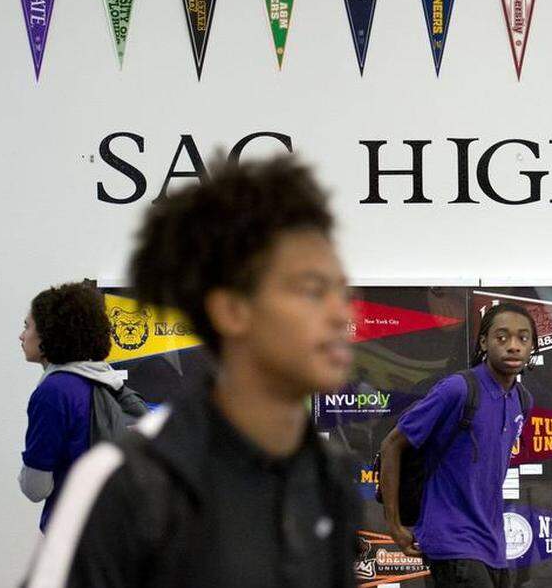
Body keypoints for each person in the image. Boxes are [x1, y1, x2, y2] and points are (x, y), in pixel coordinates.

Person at [23, 156, 360, 587]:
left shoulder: (329, 476)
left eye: (341, 290)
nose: (340, 313)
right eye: (312, 290)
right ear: (232, 310)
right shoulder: (124, 481)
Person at [379, 302, 536, 588]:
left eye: (522, 338)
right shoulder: (458, 389)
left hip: (493, 546)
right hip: (451, 540)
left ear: (532, 346)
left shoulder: (522, 400)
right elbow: (392, 444)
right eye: (502, 337)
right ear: (484, 342)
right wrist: (395, 525)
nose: (513, 346)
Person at [18, 281, 133, 530]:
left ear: (49, 334)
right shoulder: (107, 380)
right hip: (116, 530)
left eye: (27, 326)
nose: (21, 335)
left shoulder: (53, 392)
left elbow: (35, 487)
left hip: (75, 533)